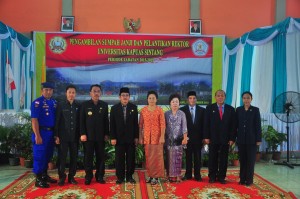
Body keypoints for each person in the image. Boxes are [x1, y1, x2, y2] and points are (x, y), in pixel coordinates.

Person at [204, 89, 236, 184]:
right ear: (215, 97)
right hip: (213, 138)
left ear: (225, 97)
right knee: (212, 158)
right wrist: (206, 137)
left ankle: (222, 177)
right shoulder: (209, 108)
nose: (220, 97)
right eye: (218, 95)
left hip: (226, 139)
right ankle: (212, 176)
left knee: (224, 158)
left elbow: (233, 125)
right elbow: (206, 123)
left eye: (222, 95)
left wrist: (232, 138)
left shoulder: (230, 109)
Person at [80, 84, 109, 185]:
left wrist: (106, 134)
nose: (96, 93)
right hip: (88, 137)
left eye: (98, 91)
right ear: (90, 93)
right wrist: (82, 134)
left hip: (100, 137)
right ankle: (88, 177)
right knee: (88, 158)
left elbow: (106, 121)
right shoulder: (84, 105)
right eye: (94, 91)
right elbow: (81, 121)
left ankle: (100, 176)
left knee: (100, 157)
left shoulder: (104, 105)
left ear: (100, 93)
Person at [31, 82, 58, 188]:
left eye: (50, 90)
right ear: (42, 90)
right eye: (46, 89)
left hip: (51, 133)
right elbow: (34, 120)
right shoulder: (37, 102)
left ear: (52, 91)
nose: (48, 92)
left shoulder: (54, 102)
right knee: (39, 156)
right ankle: (38, 179)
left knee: (48, 155)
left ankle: (44, 175)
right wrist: (37, 135)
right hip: (41, 133)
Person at [110, 87, 139, 184]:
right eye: (123, 95)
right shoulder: (114, 109)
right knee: (119, 159)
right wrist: (113, 137)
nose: (125, 97)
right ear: (119, 97)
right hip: (118, 139)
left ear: (129, 97)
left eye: (127, 95)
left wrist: (136, 137)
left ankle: (130, 176)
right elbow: (112, 124)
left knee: (131, 158)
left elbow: (136, 124)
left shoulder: (133, 108)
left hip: (131, 139)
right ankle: (120, 177)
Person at [55, 85, 80, 186]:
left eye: (73, 92)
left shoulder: (78, 106)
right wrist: (56, 136)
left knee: (74, 158)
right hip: (63, 137)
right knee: (62, 158)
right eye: (69, 92)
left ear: (75, 94)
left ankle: (71, 177)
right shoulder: (60, 105)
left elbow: (80, 122)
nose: (71, 94)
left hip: (74, 137)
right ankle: (62, 177)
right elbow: (56, 121)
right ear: (66, 93)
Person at [139, 91, 166, 185]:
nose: (151, 100)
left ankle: (157, 177)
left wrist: (162, 137)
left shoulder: (160, 110)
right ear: (147, 99)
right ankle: (150, 176)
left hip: (157, 138)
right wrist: (140, 137)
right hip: (147, 138)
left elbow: (163, 125)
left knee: (157, 158)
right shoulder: (143, 110)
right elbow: (140, 125)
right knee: (149, 157)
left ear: (156, 99)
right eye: (150, 98)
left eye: (153, 98)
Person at [236, 91, 262, 186]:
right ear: (242, 99)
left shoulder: (255, 110)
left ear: (251, 99)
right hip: (241, 140)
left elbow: (258, 125)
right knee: (242, 160)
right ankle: (242, 179)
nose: (246, 100)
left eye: (248, 98)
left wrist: (258, 139)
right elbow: (236, 125)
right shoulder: (238, 110)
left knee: (250, 161)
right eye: (244, 98)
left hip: (252, 140)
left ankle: (249, 180)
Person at [180, 91, 205, 182]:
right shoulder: (182, 110)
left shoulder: (202, 110)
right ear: (187, 99)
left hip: (198, 138)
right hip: (187, 138)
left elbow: (204, 125)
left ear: (196, 99)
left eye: (194, 98)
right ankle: (188, 174)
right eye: (190, 98)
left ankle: (197, 175)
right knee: (188, 157)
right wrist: (183, 137)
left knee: (198, 157)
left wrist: (204, 137)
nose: (192, 100)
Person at [164, 93, 188, 183]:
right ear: (170, 103)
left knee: (178, 158)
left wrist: (185, 138)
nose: (175, 103)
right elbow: (163, 127)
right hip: (168, 140)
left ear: (179, 104)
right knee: (168, 158)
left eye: (176, 102)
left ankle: (178, 176)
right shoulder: (166, 114)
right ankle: (168, 175)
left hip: (178, 139)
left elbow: (184, 127)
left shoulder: (182, 114)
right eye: (173, 102)